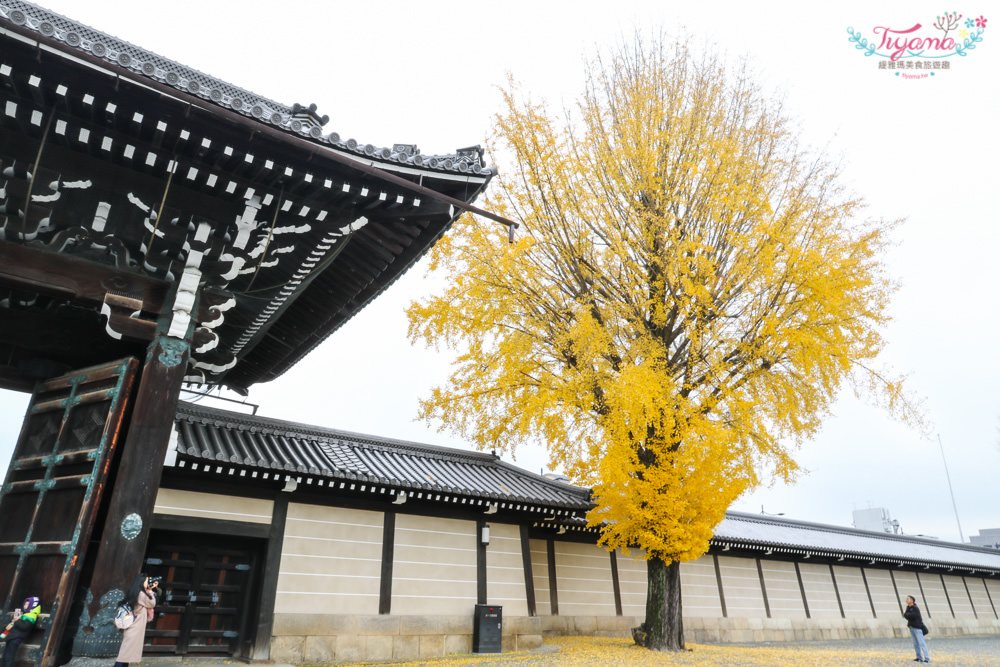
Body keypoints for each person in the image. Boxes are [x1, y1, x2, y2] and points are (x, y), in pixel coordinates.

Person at [114, 574, 158, 667]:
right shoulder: (141, 594)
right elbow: (152, 603)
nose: (147, 583)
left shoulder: (134, 592)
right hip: (135, 626)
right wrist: (150, 591)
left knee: (127, 651)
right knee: (125, 652)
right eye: (146, 581)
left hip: (132, 625)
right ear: (142, 583)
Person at [0, 597, 40, 667]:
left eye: (27, 605)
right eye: (25, 604)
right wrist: (14, 621)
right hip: (12, 637)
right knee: (5, 656)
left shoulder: (31, 616)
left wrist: (17, 620)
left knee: (9, 657)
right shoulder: (24, 615)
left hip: (16, 639)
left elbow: (24, 627)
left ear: (32, 606)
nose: (25, 606)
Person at [903, 594, 930, 663]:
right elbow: (905, 615)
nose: (906, 600)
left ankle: (927, 659)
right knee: (916, 644)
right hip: (911, 628)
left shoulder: (915, 608)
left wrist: (907, 615)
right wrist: (907, 615)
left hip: (917, 628)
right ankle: (919, 657)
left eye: (908, 599)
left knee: (922, 643)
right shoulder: (908, 608)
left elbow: (912, 616)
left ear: (912, 601)